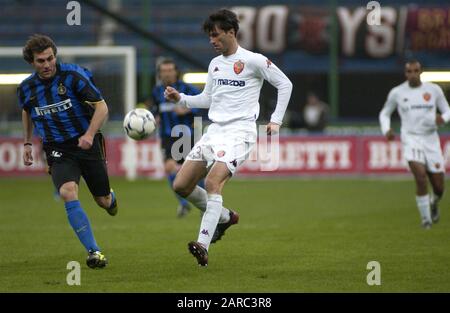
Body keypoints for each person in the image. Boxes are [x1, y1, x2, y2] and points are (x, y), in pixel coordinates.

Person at [164, 9, 293, 266]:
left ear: (231, 32)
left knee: (213, 183)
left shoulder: (254, 60)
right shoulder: (214, 65)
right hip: (214, 132)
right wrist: (182, 98)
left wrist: (276, 120)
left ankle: (202, 243)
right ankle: (224, 218)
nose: (211, 41)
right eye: (209, 37)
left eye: (215, 35)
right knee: (180, 185)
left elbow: (285, 84)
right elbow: (208, 98)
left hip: (240, 133)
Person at [18, 34, 117, 268]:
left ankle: (111, 199)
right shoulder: (27, 88)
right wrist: (27, 142)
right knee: (67, 191)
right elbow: (27, 111)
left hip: (87, 143)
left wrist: (90, 134)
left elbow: (101, 107)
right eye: (41, 61)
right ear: (32, 62)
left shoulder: (73, 76)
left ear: (55, 56)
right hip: (57, 148)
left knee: (102, 201)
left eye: (50, 58)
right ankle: (94, 251)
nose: (47, 64)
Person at [379, 59, 450, 229]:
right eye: (409, 71)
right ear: (405, 74)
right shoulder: (397, 92)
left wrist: (443, 118)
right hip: (410, 139)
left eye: (415, 71)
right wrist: (386, 130)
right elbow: (384, 113)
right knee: (420, 177)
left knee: (439, 187)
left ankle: (434, 202)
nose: (412, 74)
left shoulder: (433, 90)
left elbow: (447, 110)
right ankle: (426, 221)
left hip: (431, 140)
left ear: (421, 72)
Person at [151, 58, 205, 218]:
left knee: (194, 173)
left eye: (170, 70)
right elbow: (156, 110)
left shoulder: (188, 88)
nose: (167, 73)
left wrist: (188, 110)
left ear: (176, 72)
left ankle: (204, 204)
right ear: (160, 74)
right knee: (169, 168)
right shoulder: (156, 91)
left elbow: (203, 105)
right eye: (163, 71)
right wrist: (154, 118)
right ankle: (183, 204)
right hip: (167, 136)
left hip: (186, 134)